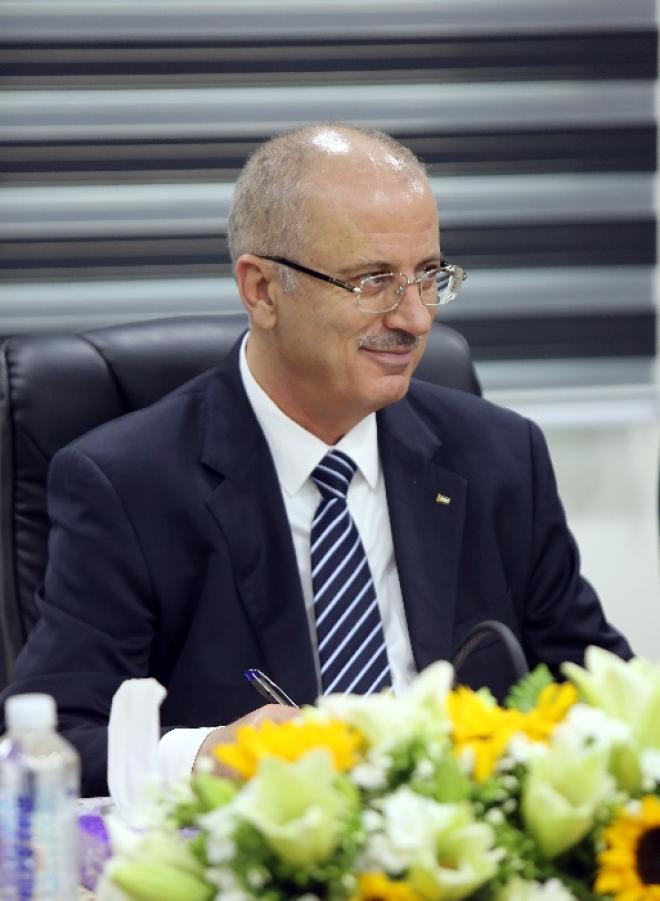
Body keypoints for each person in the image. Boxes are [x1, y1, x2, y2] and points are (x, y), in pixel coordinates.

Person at [1, 124, 631, 796]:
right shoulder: (128, 484)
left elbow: (604, 692)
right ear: (262, 290)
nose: (416, 318)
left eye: (429, 276)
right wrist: (204, 753)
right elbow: (51, 738)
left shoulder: (499, 456)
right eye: (373, 280)